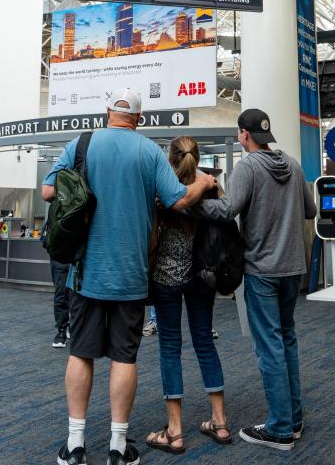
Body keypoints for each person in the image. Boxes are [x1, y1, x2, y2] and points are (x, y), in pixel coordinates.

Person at [40, 88, 215, 465]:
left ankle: (74, 445)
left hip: (86, 273)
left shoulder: (82, 144)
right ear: (139, 117)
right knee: (124, 358)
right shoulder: (149, 151)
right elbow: (178, 201)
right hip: (132, 276)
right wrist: (202, 183)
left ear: (107, 112)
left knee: (81, 354)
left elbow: (48, 191)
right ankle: (118, 448)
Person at [195, 108, 316, 451]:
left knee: (270, 346)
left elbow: (226, 210)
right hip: (293, 268)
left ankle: (279, 428)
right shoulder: (292, 164)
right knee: (287, 339)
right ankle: (293, 418)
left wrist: (191, 203)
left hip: (262, 270)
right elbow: (311, 211)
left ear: (244, 135)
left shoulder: (247, 167)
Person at [146, 136, 230, 454]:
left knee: (170, 349)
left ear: (170, 157)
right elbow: (226, 212)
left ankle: (175, 431)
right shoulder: (207, 186)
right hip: (202, 278)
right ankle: (220, 422)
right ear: (198, 155)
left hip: (166, 277)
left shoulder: (162, 187)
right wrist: (212, 184)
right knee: (204, 344)